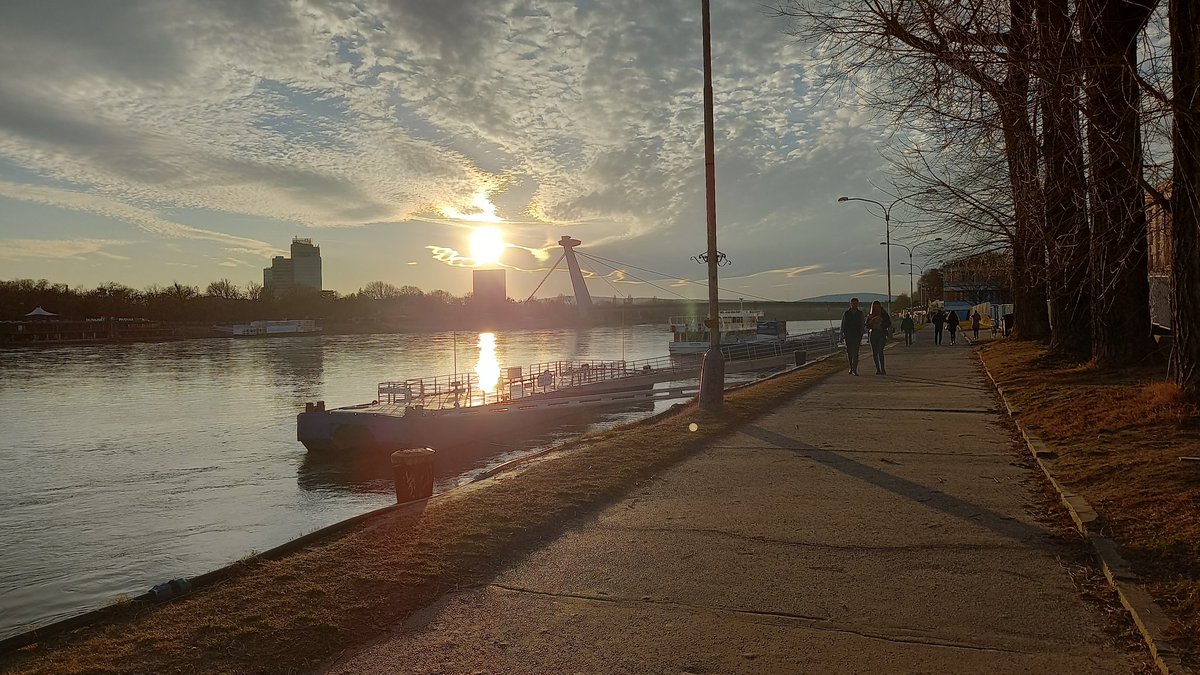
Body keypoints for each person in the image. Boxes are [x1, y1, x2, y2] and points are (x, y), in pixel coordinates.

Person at [840, 297, 866, 376]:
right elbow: (843, 324)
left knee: (855, 352)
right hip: (848, 334)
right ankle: (851, 367)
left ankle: (854, 369)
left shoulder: (860, 313)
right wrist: (841, 334)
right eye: (853, 303)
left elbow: (862, 323)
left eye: (856, 303)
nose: (854, 305)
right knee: (849, 352)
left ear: (858, 304)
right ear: (850, 304)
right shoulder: (846, 313)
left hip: (857, 335)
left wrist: (861, 333)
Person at [866, 300, 892, 374]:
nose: (876, 308)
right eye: (875, 307)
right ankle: (878, 369)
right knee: (874, 352)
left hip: (882, 334)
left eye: (878, 306)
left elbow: (888, 323)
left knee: (880, 351)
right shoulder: (870, 315)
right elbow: (866, 325)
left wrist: (882, 322)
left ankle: (882, 369)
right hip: (873, 334)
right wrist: (872, 321)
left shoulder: (884, 314)